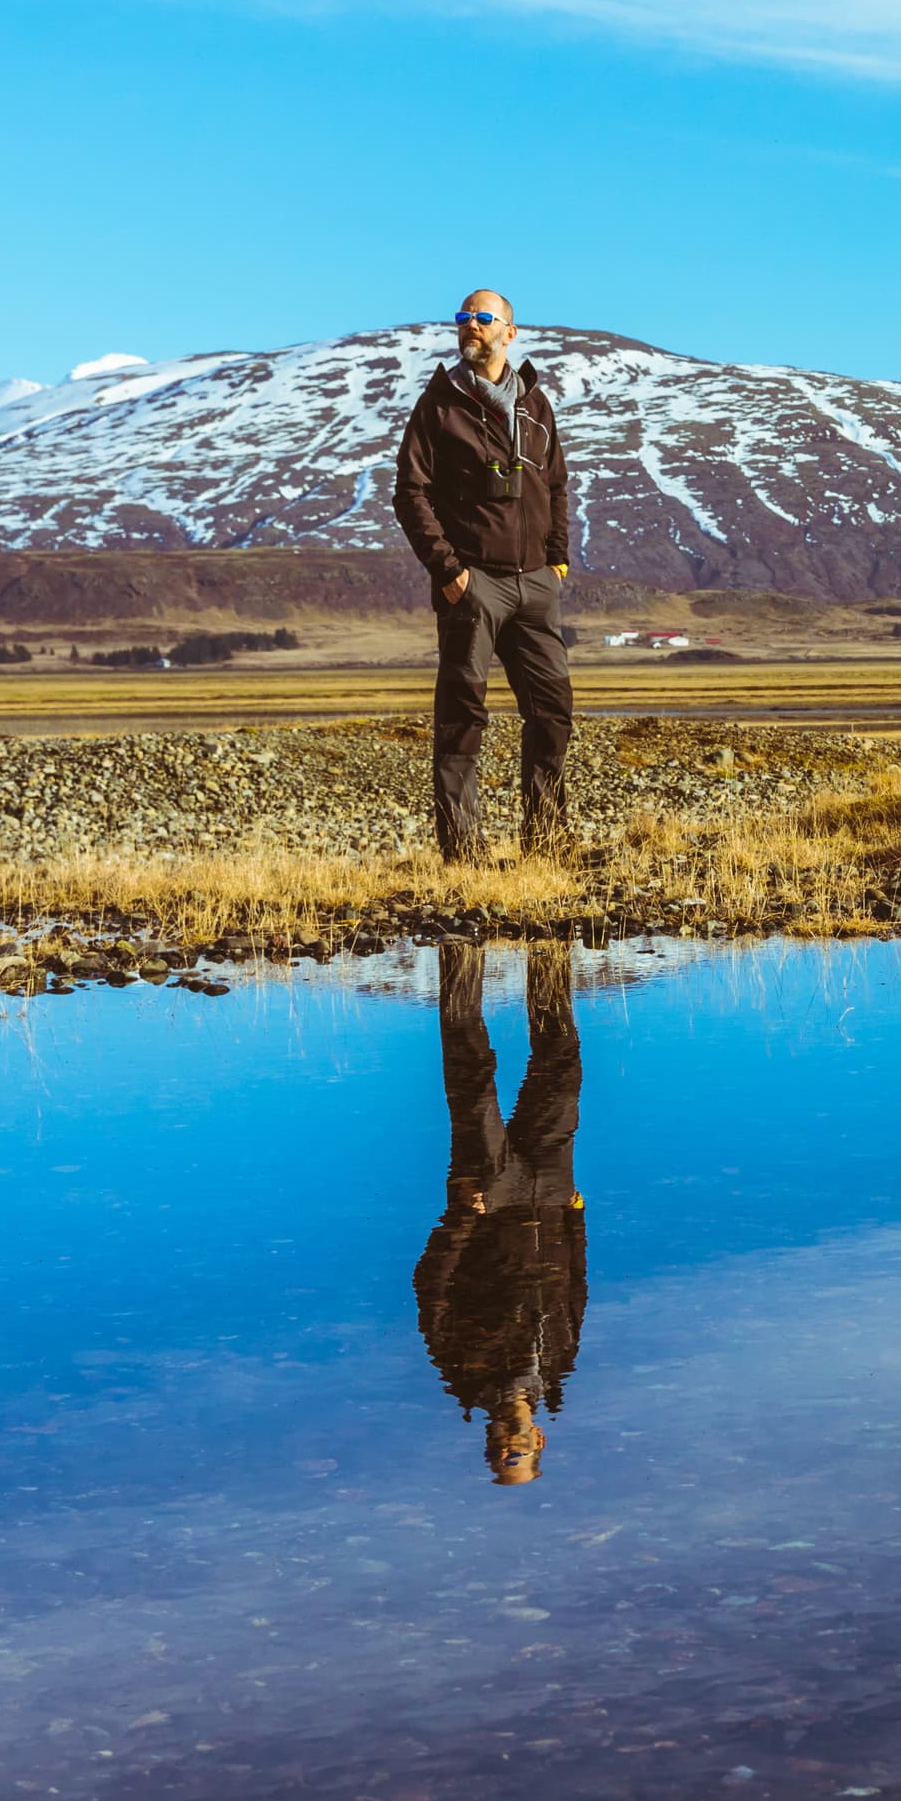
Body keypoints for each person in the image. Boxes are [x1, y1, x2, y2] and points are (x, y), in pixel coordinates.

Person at [391, 289, 575, 860]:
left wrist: (557, 559)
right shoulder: (439, 405)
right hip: (474, 586)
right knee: (462, 718)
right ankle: (463, 854)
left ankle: (545, 843)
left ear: (509, 333)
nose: (470, 326)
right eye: (463, 318)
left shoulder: (536, 406)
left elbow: (557, 486)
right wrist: (449, 570)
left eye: (482, 318)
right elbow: (410, 493)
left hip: (536, 585)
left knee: (552, 711)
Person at [413, 940, 588, 1486]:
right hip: (554, 1196)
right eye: (519, 1456)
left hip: (489, 1205)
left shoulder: (464, 1373)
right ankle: (548, 948)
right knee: (560, 1070)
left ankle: (461, 948)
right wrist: (577, 1220)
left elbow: (432, 1288)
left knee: (473, 1085)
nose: (508, 1448)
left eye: (499, 1457)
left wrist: (462, 1217)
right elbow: (576, 1293)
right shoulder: (556, 1373)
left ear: (489, 1442)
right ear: (539, 1441)